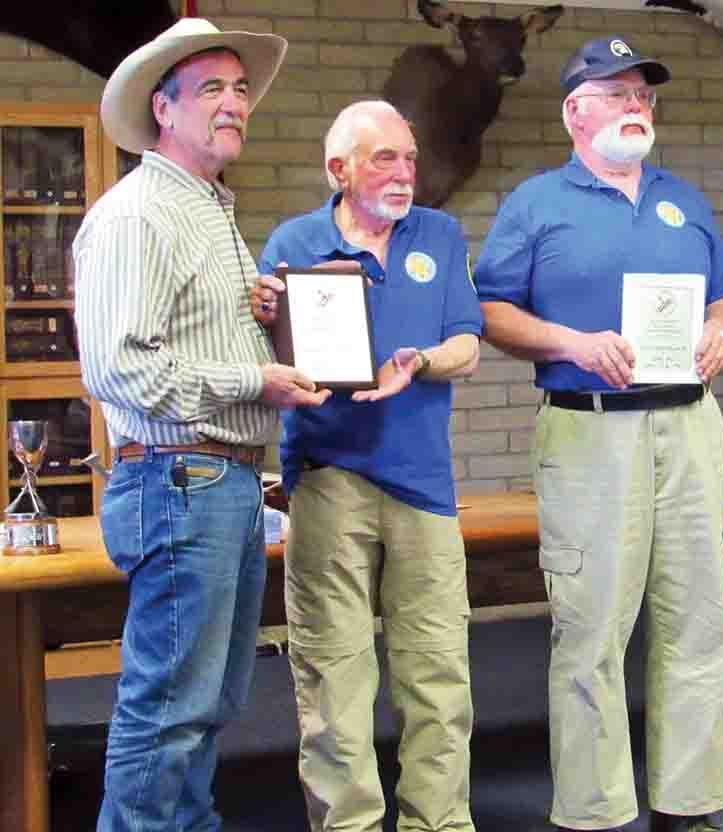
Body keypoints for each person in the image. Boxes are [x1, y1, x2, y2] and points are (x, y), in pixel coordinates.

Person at [472, 35, 723, 832]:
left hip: (689, 426)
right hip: (591, 433)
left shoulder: (684, 199)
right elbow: (489, 312)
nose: (636, 105)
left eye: (644, 94)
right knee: (591, 629)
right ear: (574, 112)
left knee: (699, 619)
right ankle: (594, 811)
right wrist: (571, 343)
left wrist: (722, 332)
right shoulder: (535, 202)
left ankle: (686, 805)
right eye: (617, 92)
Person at [72, 18, 332, 832]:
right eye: (212, 89)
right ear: (165, 108)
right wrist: (254, 374)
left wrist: (259, 321)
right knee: (170, 708)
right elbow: (118, 367)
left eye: (241, 89)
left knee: (209, 702)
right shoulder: (138, 214)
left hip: (217, 480)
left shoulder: (209, 212)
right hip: (179, 478)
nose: (234, 105)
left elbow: (182, 343)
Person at [252, 100, 482, 832]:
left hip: (424, 484)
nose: (404, 173)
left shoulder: (440, 236)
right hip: (327, 476)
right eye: (385, 158)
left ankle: (439, 824)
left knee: (439, 675)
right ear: (338, 168)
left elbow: (469, 345)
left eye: (409, 158)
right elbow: (264, 361)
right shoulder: (294, 242)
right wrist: (260, 316)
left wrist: (421, 360)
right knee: (334, 678)